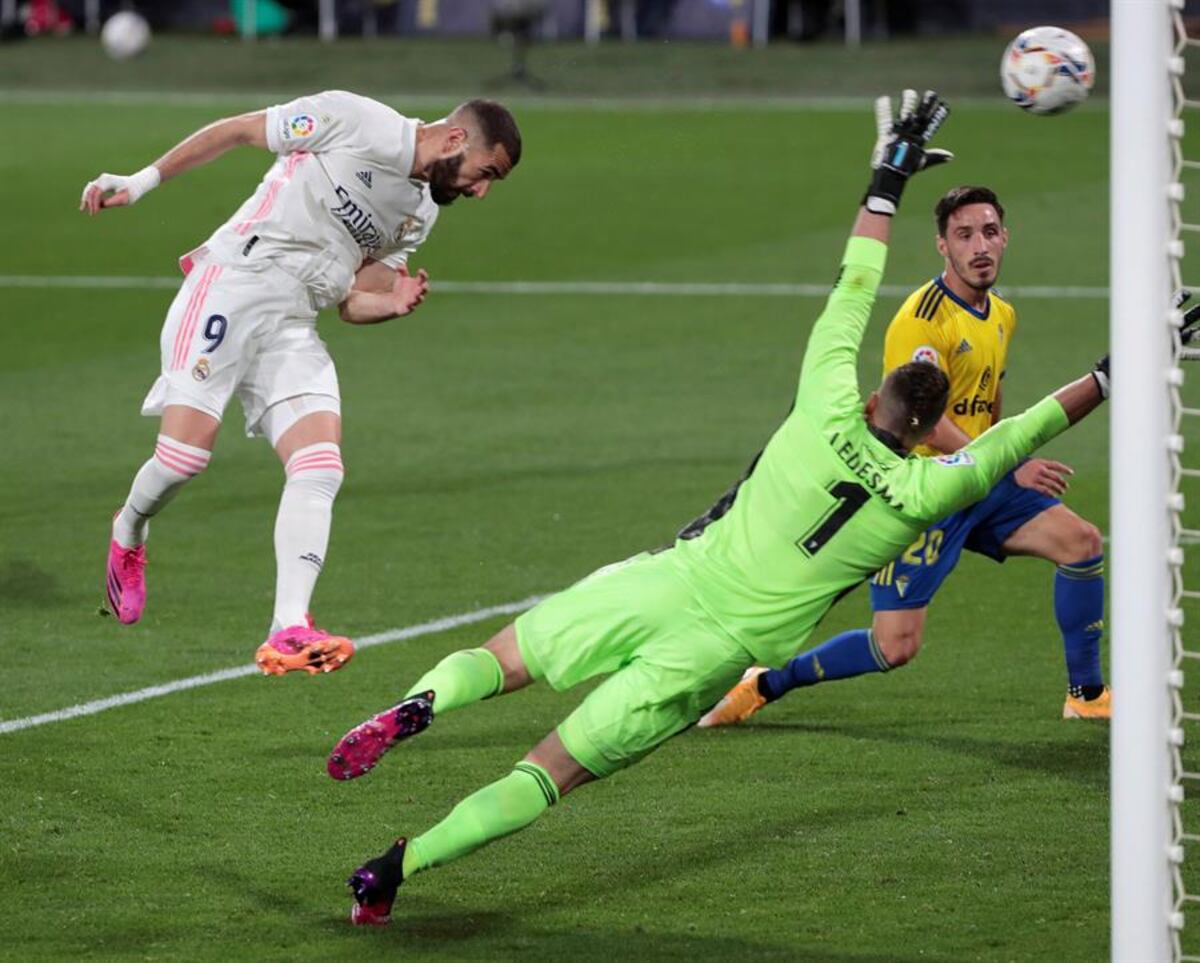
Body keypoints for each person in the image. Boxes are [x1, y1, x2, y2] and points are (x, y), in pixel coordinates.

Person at [322, 90, 1110, 926]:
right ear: (924, 434)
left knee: (505, 657)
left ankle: (421, 704)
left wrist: (889, 175)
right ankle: (391, 870)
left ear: (874, 392)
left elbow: (855, 281)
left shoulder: (820, 406)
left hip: (671, 576)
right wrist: (1112, 373)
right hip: (714, 648)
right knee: (546, 771)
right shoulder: (925, 491)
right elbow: (1014, 436)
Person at [82, 93, 521, 676]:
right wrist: (140, 182)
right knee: (183, 459)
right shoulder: (359, 120)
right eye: (485, 173)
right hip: (233, 286)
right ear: (456, 141)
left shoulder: (420, 212)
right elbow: (239, 130)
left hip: (293, 324)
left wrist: (390, 304)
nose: (481, 190)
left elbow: (353, 303)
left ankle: (288, 626)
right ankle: (129, 527)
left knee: (320, 467)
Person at [698, 185, 1109, 729]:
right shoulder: (923, 320)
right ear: (942, 245)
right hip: (923, 495)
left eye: (989, 232)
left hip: (981, 481)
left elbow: (990, 402)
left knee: (1081, 543)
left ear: (1005, 237)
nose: (979, 246)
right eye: (964, 235)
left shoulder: (1001, 313)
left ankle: (1086, 694)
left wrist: (1004, 459)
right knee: (896, 647)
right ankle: (766, 683)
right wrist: (1009, 463)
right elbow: (926, 422)